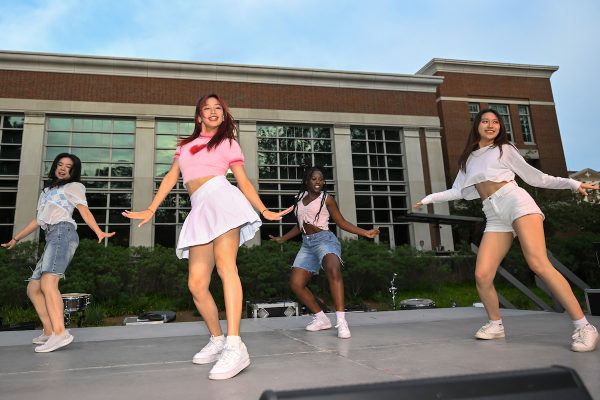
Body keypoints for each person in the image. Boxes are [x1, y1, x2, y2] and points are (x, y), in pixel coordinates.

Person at [123, 94, 290, 380]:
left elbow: (243, 179)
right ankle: (218, 339)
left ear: (223, 116)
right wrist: (151, 208)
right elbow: (171, 177)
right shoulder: (185, 146)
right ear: (198, 116)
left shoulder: (228, 143)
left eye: (218, 109)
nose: (213, 113)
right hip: (200, 208)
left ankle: (236, 345)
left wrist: (263, 209)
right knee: (197, 284)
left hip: (223, 200)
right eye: (207, 109)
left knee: (227, 267)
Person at [414, 108, 599, 352]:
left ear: (500, 127)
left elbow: (537, 178)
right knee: (482, 275)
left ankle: (584, 327)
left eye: (495, 122)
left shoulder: (504, 149)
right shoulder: (468, 158)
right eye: (485, 121)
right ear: (477, 126)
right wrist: (428, 199)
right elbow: (458, 191)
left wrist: (573, 183)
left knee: (538, 263)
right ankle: (495, 324)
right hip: (493, 214)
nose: (491, 126)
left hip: (516, 203)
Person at [1, 153, 115, 352]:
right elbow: (38, 220)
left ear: (73, 171)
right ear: (54, 166)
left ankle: (61, 333)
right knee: (33, 288)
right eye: (60, 164)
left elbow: (83, 210)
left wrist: (98, 231)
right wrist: (16, 238)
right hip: (52, 235)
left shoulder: (74, 187)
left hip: (63, 232)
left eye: (68, 166)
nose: (63, 168)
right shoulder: (46, 191)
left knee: (48, 283)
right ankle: (49, 331)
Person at [270, 166, 379, 339]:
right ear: (307, 181)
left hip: (325, 240)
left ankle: (342, 321)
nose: (318, 182)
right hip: (307, 245)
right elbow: (300, 226)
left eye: (321, 179)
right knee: (296, 284)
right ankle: (321, 318)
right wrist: (283, 238)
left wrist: (364, 232)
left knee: (333, 269)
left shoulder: (326, 199)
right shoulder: (299, 199)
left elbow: (341, 222)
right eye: (314, 179)